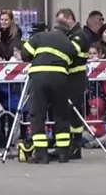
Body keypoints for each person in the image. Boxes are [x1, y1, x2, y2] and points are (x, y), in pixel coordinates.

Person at [21, 22, 77, 164]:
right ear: (67, 33)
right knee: (61, 116)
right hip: (60, 79)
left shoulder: (40, 36)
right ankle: (63, 154)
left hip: (39, 78)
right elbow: (70, 61)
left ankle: (41, 154)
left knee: (38, 115)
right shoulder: (69, 44)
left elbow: (25, 53)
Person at [55, 8, 90, 160]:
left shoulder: (79, 35)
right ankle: (69, 144)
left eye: (62, 22)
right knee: (68, 112)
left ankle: (75, 146)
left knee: (75, 113)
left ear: (70, 18)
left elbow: (70, 51)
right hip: (69, 79)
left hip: (76, 79)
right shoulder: (71, 34)